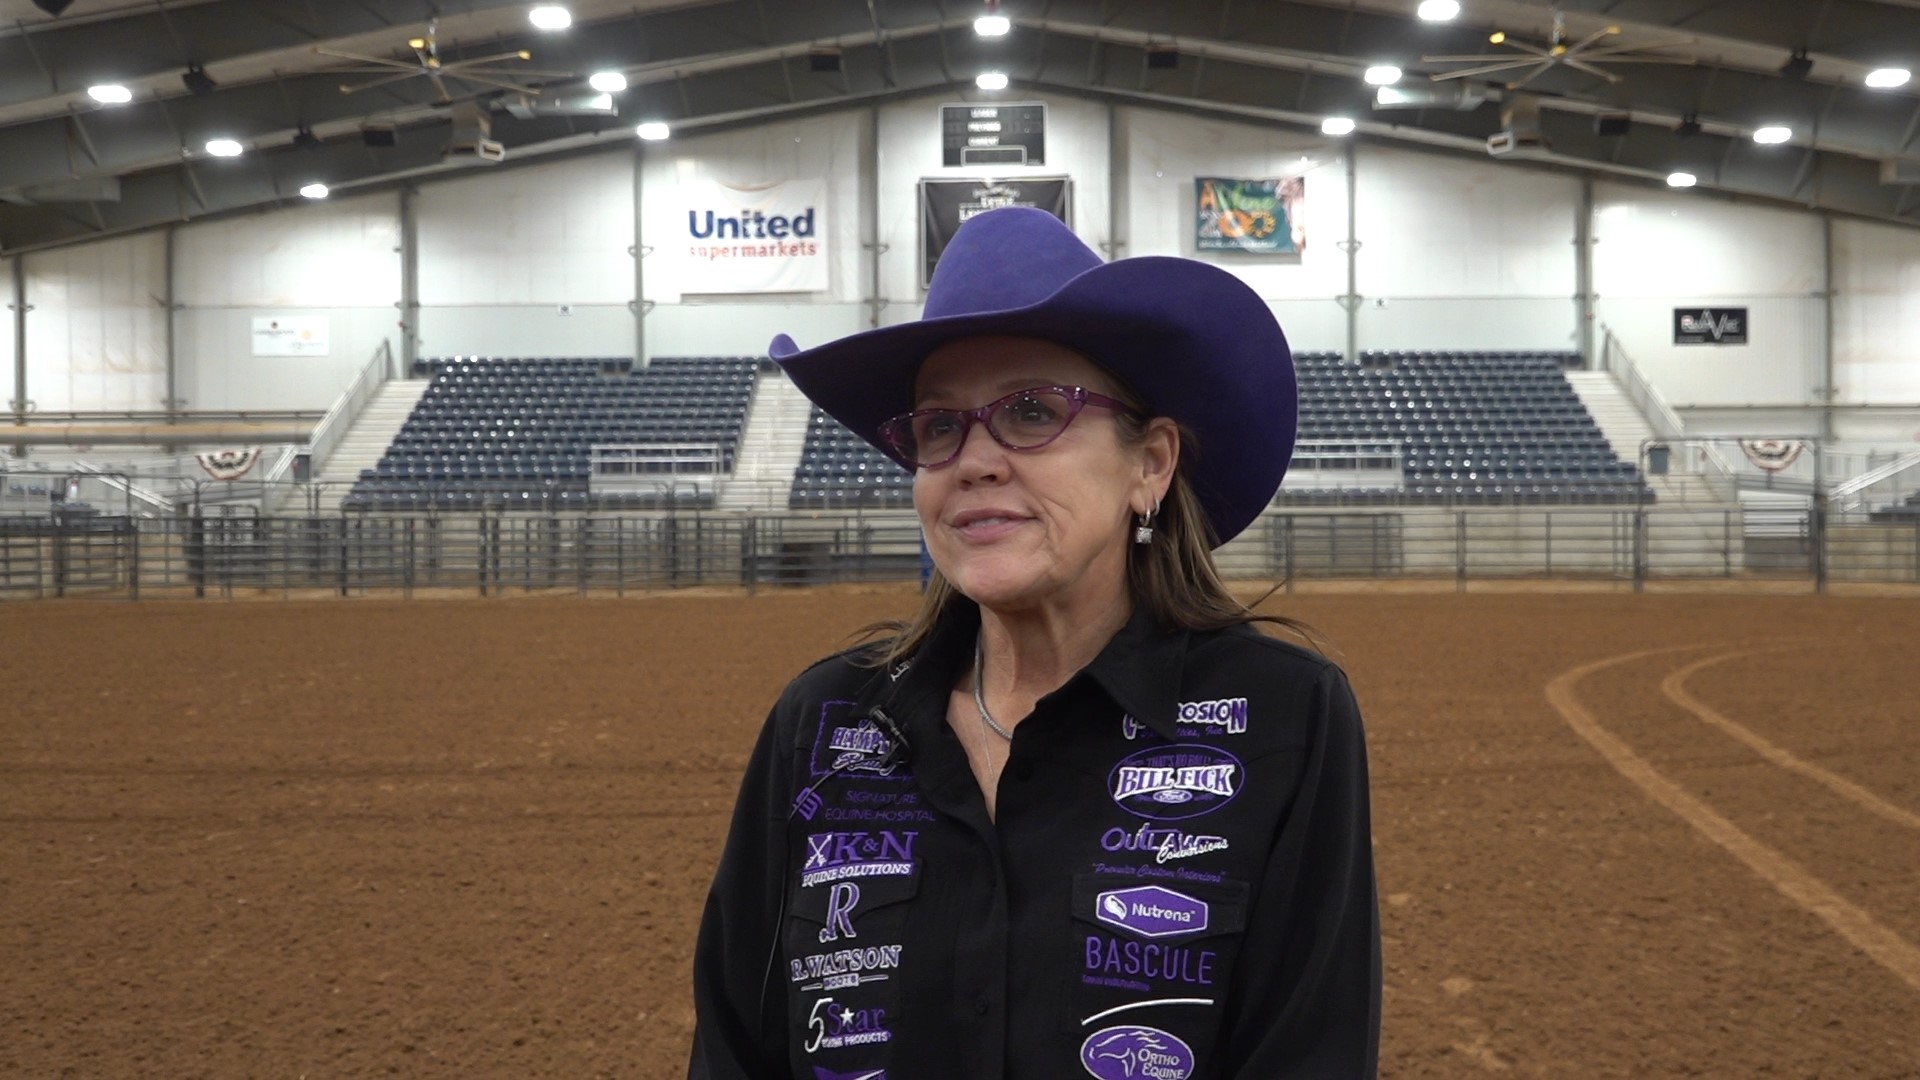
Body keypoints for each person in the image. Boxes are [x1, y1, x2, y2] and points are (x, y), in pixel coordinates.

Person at [688, 207, 1379, 1080]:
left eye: (1030, 410)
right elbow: (734, 1051)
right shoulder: (820, 725)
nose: (973, 459)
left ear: (1150, 465)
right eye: (939, 426)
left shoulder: (1285, 716)